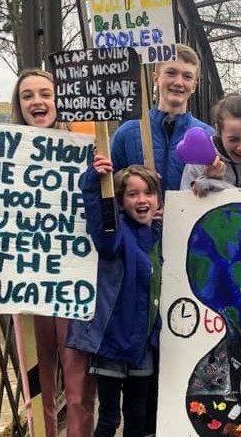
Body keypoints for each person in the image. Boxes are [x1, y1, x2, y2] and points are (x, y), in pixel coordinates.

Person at [11, 68, 96, 437]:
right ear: (19, 105)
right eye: (28, 95)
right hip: (25, 277)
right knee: (37, 377)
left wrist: (101, 176)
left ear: (59, 100)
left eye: (45, 93)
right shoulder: (3, 149)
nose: (37, 102)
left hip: (72, 276)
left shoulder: (84, 146)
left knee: (77, 376)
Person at [67, 162, 163, 437]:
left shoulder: (158, 234)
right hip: (112, 342)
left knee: (137, 415)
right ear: (120, 201)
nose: (142, 200)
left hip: (142, 344)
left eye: (148, 193)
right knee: (110, 417)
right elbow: (101, 220)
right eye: (132, 194)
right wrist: (92, 181)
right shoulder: (116, 235)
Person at [110, 44, 215, 191]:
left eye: (187, 76)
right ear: (155, 79)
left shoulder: (209, 137)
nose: (178, 82)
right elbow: (107, 192)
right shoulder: (127, 132)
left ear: (194, 86)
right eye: (171, 73)